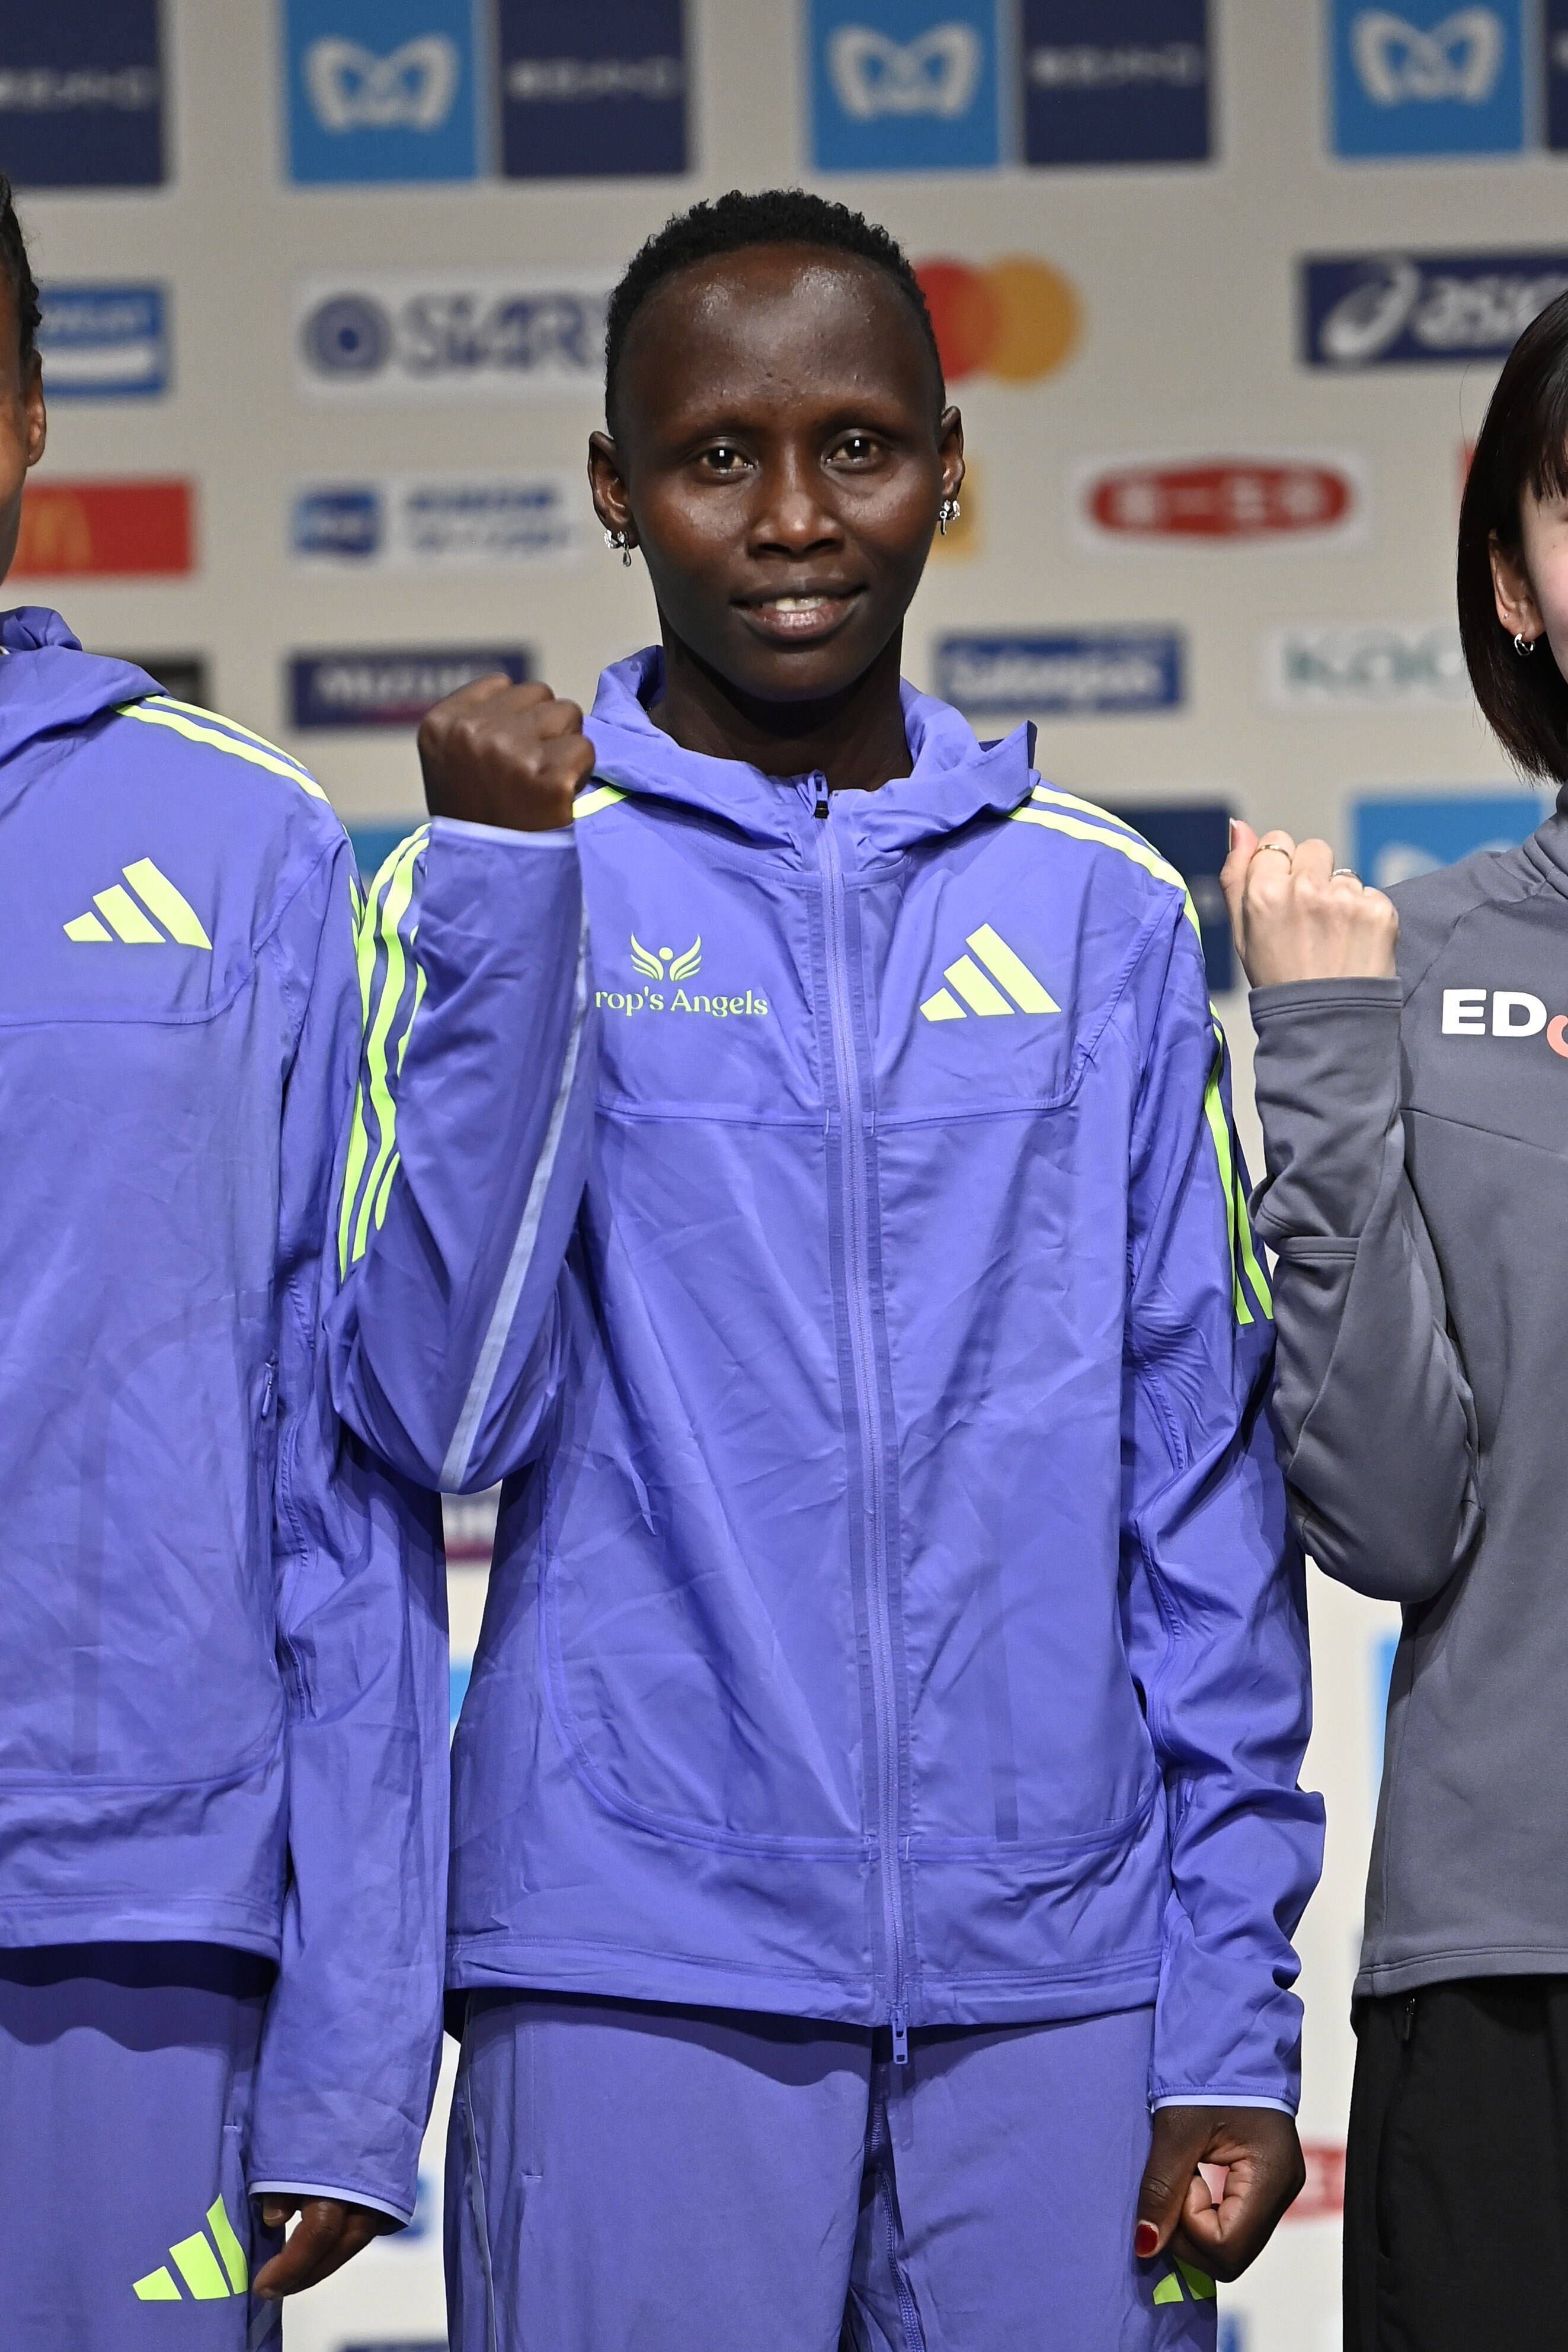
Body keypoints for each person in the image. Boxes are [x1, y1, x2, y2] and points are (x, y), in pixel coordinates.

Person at [330, 188, 1323, 2352]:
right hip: (633, 1972)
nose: (793, 516)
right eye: (716, 458)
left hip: (1058, 1994)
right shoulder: (495, 877)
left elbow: (1205, 1507)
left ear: (953, 467)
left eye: (858, 446)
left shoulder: (1102, 918)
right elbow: (440, 1409)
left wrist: (1226, 2012)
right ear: (618, 490)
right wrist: (511, 914)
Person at [0, 179, 448, 2348]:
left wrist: (358, 2053)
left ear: (26, 421)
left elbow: (337, 1473)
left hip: (134, 1934)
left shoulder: (241, 842)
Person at [1220, 285, 1568, 2351]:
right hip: (1508, 1965)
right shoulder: (1413, 968)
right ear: (1515, 583)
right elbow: (1391, 1515)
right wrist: (1331, 1062)